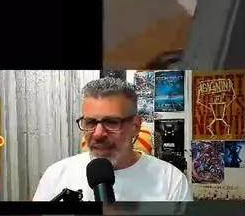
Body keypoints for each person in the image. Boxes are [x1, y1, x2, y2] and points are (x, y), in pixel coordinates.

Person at [33, 77, 193, 202]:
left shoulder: (171, 181)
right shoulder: (56, 176)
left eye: (111, 122)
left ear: (136, 126)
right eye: (90, 122)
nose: (98, 134)